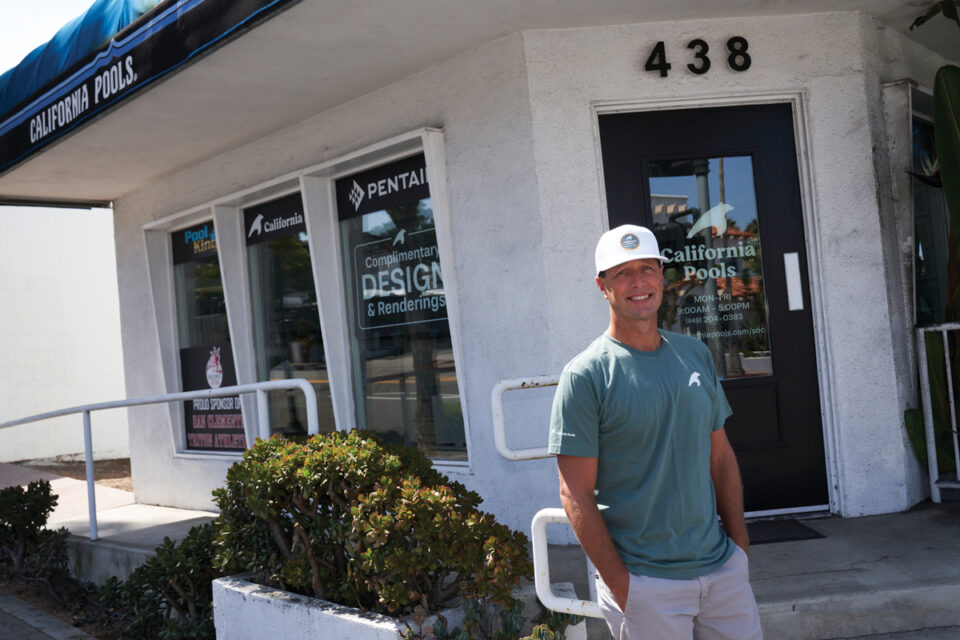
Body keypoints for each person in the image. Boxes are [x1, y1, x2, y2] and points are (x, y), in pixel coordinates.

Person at [547, 224, 763, 639]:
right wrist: (622, 585)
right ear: (602, 286)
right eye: (623, 272)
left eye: (646, 268)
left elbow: (720, 457)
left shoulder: (695, 354)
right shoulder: (586, 375)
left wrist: (739, 548)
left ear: (661, 278)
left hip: (721, 572)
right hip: (646, 583)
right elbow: (574, 493)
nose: (638, 282)